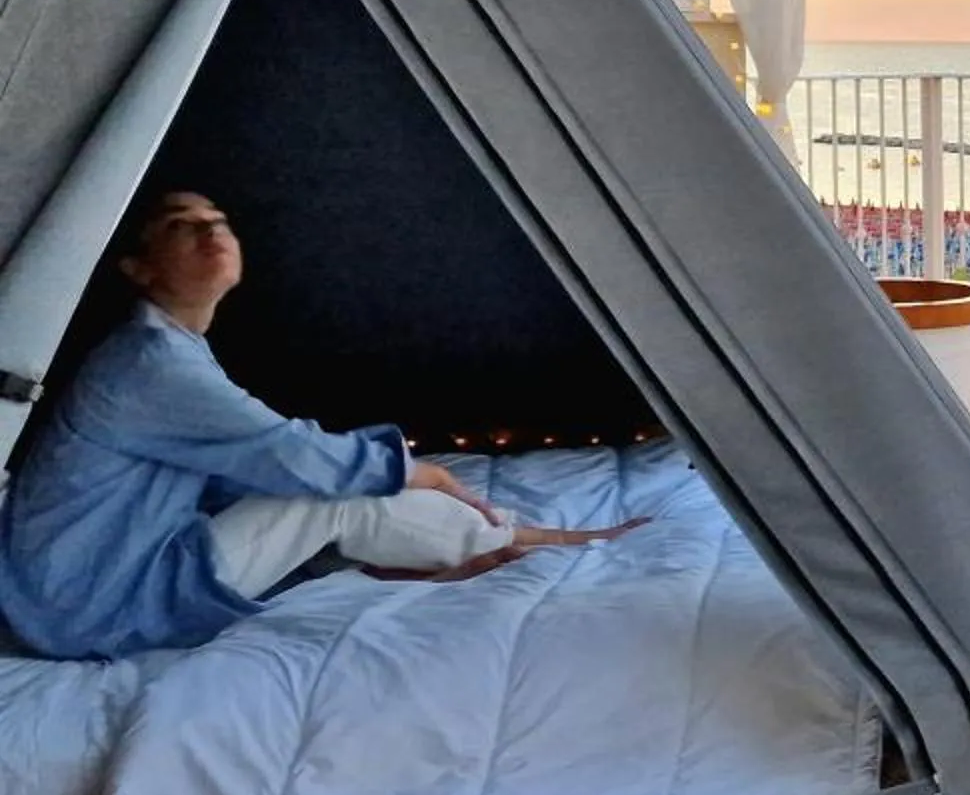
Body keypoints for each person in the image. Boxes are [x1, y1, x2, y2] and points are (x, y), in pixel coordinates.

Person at [0, 191, 641, 661]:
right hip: (87, 606)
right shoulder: (149, 363)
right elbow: (289, 453)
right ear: (139, 269)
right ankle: (523, 541)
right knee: (325, 495)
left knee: (332, 491)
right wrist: (423, 472)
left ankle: (495, 541)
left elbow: (250, 466)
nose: (210, 233)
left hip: (91, 585)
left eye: (218, 221)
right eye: (180, 226)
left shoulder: (168, 349)